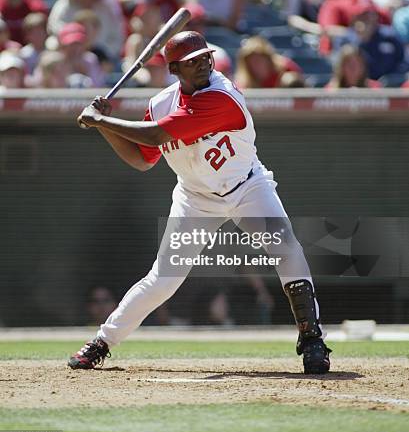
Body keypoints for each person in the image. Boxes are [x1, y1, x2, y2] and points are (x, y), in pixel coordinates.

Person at [68, 31, 331, 374]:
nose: (204, 63)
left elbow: (156, 135)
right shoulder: (160, 103)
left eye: (205, 56)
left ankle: (312, 339)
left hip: (248, 188)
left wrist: (102, 119)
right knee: (163, 279)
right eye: (193, 61)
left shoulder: (221, 96)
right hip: (195, 199)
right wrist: (106, 128)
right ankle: (101, 342)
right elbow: (142, 159)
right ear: (175, 68)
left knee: (287, 249)